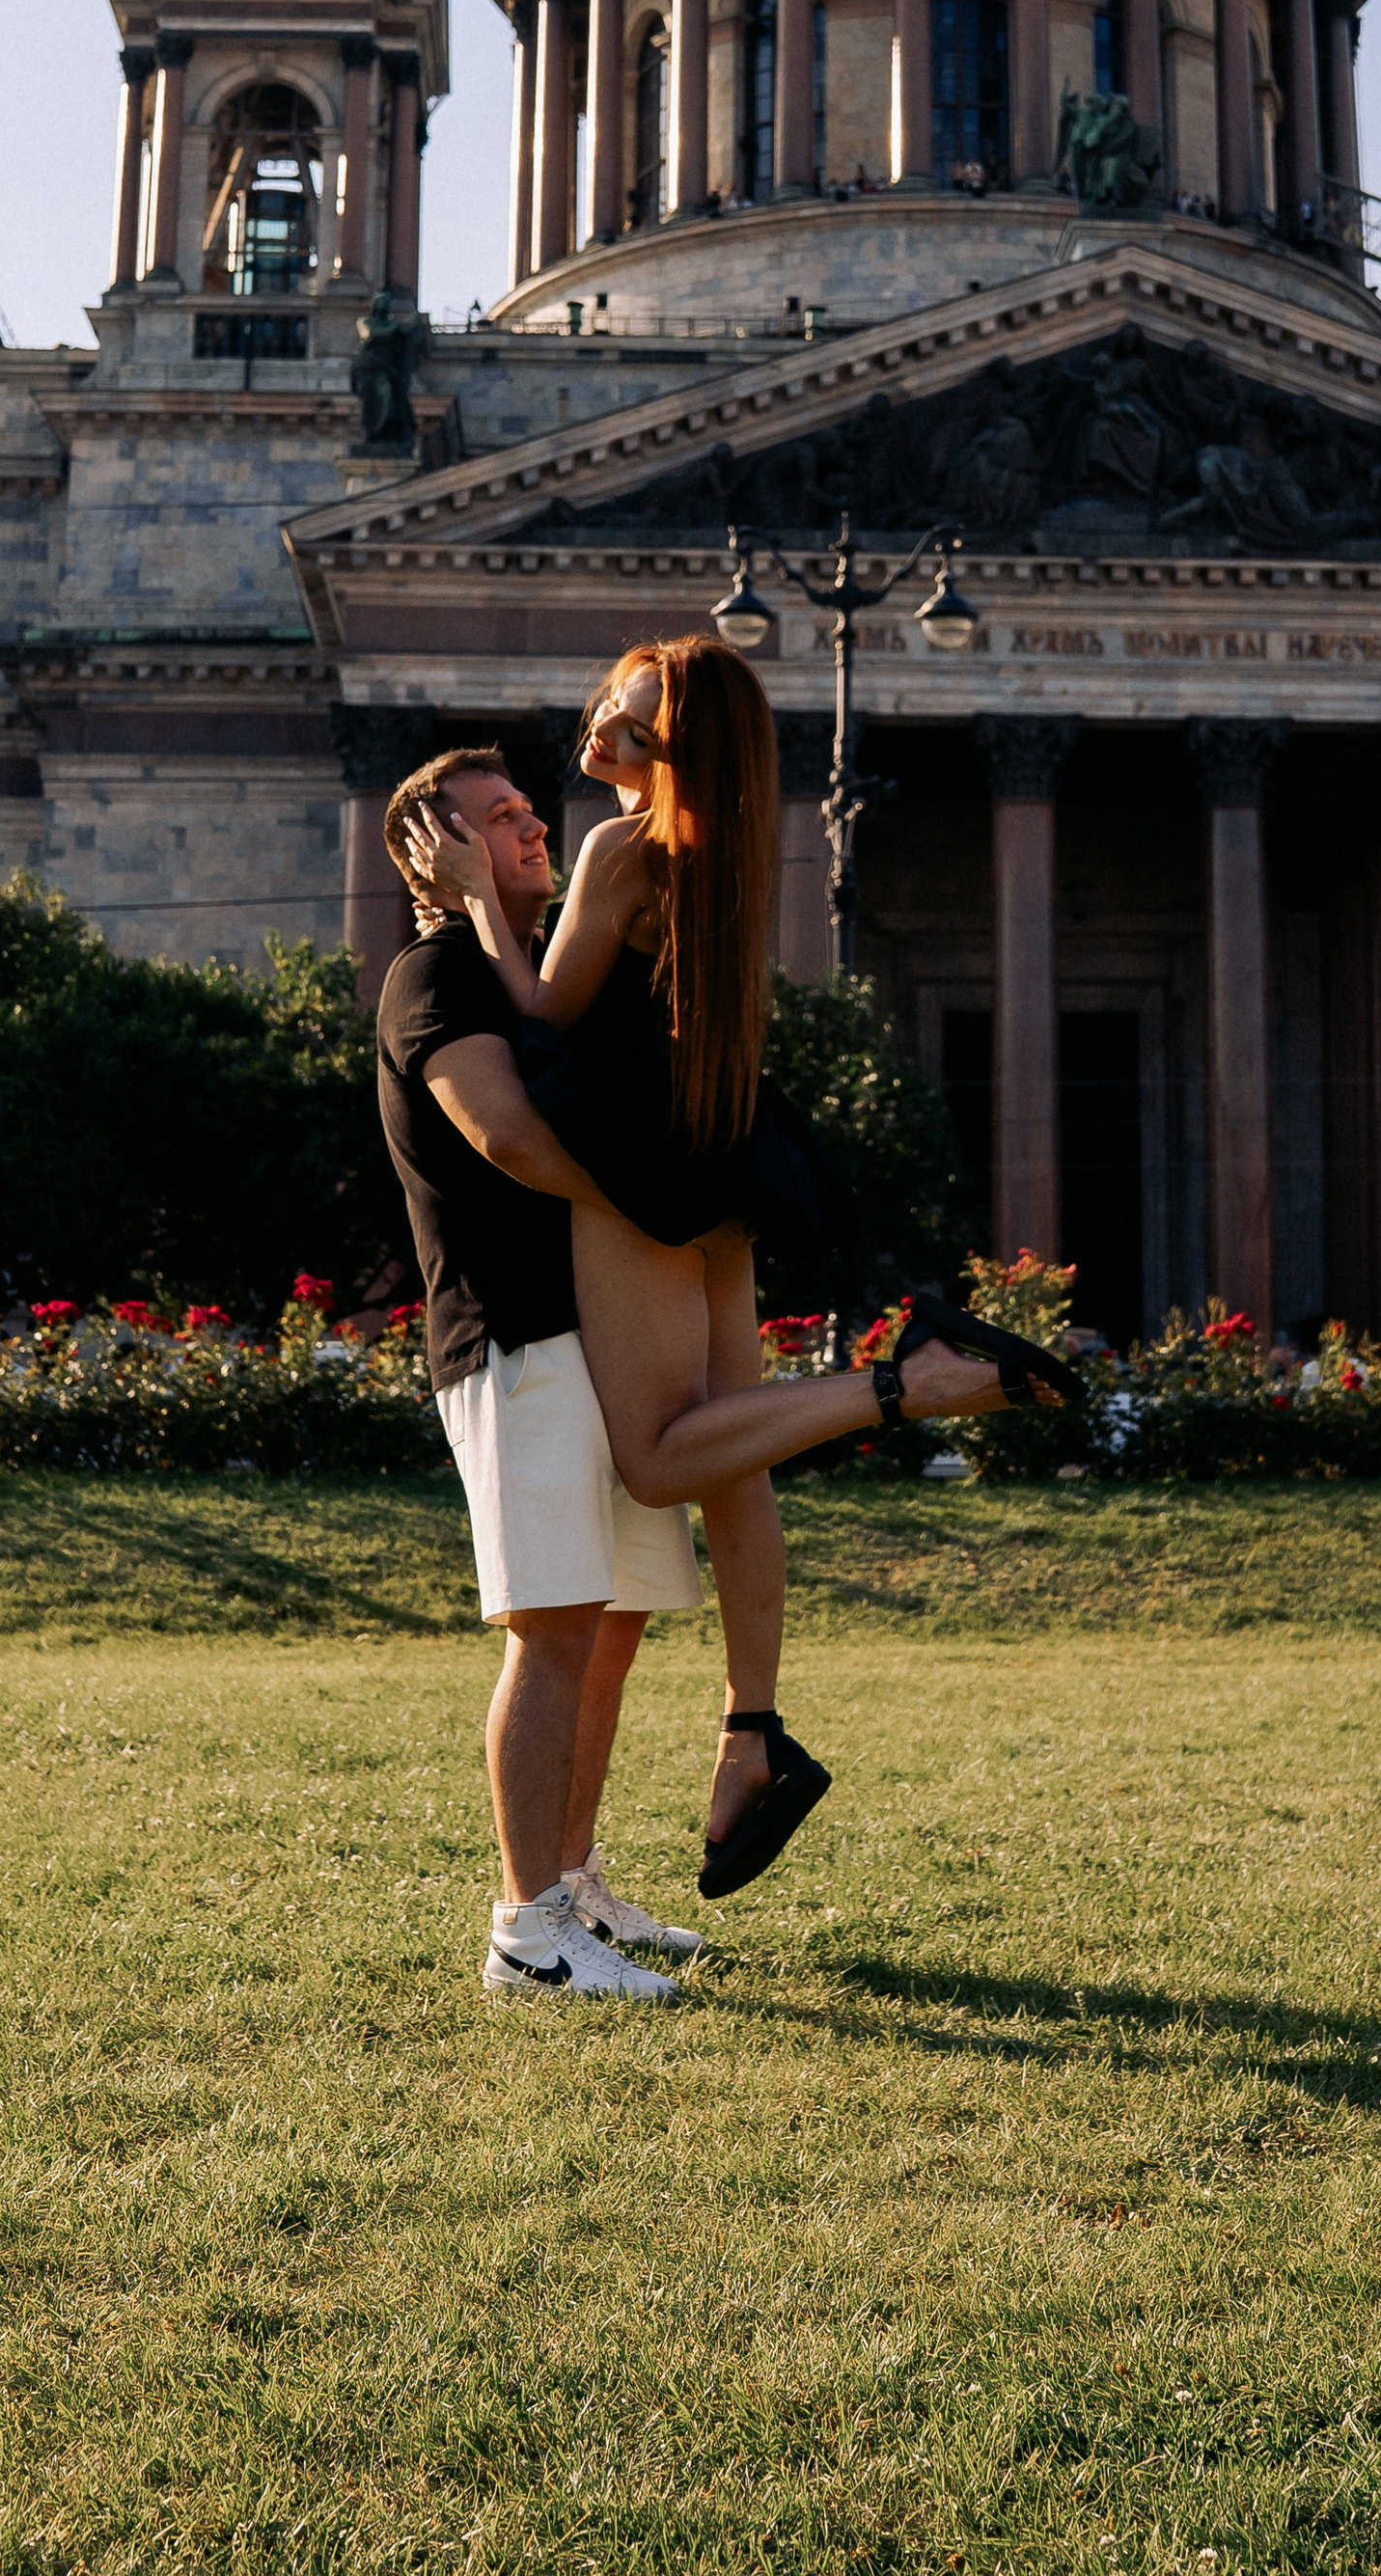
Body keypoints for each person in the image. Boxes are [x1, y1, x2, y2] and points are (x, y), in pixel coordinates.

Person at [408, 635, 1077, 1899]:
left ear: (677, 757)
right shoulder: (715, 857)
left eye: (631, 732)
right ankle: (752, 1729)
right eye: (608, 712)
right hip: (723, 1150)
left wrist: (475, 900)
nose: (598, 741)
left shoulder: (619, 848)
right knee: (731, 1452)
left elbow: (545, 1012)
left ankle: (906, 1382)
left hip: (637, 1154)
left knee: (664, 1454)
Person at [375, 745, 709, 2005]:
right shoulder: (436, 972)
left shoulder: (529, 976)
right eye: (497, 819)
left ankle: (569, 1885)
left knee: (609, 1626)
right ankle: (526, 1934)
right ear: (435, 850)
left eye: (527, 811)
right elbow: (505, 1134)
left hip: (594, 1341)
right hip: (512, 1341)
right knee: (555, 1628)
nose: (531, 829)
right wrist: (651, 1205)